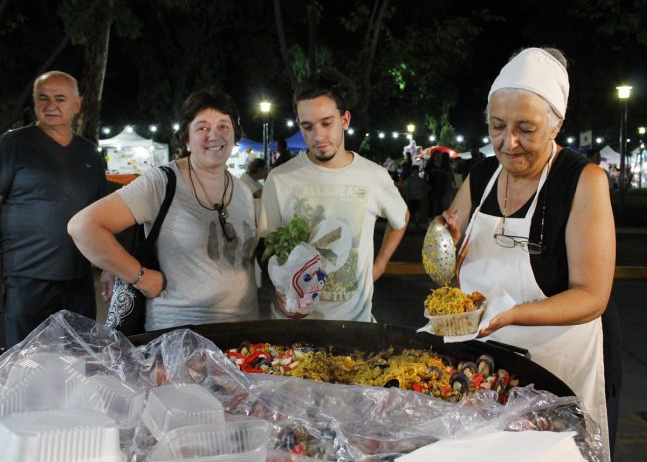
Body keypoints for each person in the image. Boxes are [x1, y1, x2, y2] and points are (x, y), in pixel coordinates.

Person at [440, 48, 619, 461]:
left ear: (556, 124)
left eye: (526, 128)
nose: (509, 142)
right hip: (481, 363)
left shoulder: (582, 180)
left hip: (557, 368)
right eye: (497, 126)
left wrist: (510, 315)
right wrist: (443, 242)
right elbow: (448, 270)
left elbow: (591, 296)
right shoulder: (482, 175)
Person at [68, 89, 258, 331]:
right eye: (202, 127)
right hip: (179, 337)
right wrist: (141, 278)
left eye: (224, 126)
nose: (214, 135)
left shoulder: (243, 191)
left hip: (244, 335)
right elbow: (84, 227)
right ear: (186, 137)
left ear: (234, 134)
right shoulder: (161, 182)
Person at [258, 69, 409, 321]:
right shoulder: (280, 178)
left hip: (354, 328)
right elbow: (267, 246)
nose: (318, 136)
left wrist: (380, 265)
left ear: (345, 120)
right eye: (307, 127)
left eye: (326, 123)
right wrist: (278, 287)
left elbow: (401, 217)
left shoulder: (373, 176)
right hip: (292, 327)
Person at [0, 71, 108, 348]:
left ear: (77, 104)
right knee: (21, 363)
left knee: (80, 359)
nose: (51, 105)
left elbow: (102, 214)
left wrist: (109, 267)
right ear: (34, 103)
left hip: (78, 278)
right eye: (43, 98)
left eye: (60, 99)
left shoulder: (90, 153)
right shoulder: (13, 144)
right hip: (25, 276)